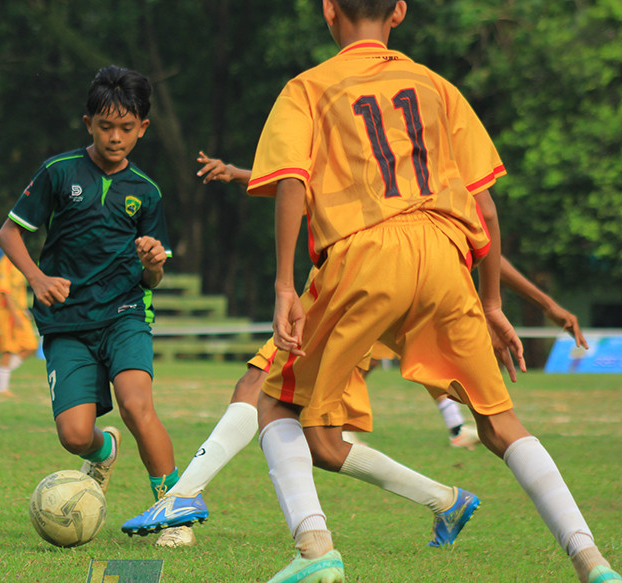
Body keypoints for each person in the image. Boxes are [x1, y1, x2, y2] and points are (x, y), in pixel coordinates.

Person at [238, 0, 621, 583]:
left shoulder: (307, 88)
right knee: (499, 424)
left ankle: (314, 549)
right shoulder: (438, 88)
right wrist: (492, 302)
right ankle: (595, 562)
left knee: (275, 401)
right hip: (447, 257)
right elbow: (488, 212)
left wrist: (284, 285)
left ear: (328, 10)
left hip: (363, 254)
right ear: (400, 12)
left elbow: (291, 185)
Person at [122, 152, 590, 548]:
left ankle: (183, 498)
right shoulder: (394, 161)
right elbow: (308, 186)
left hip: (357, 297)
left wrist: (543, 303)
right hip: (373, 298)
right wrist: (242, 174)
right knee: (321, 445)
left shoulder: (402, 162)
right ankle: (446, 501)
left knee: (259, 382)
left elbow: (482, 239)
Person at [0, 65, 189, 534]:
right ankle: (104, 451)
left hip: (125, 313)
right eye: (106, 126)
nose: (116, 137)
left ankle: (176, 513)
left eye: (127, 127)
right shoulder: (58, 173)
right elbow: (9, 233)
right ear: (88, 124)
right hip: (66, 321)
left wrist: (153, 263)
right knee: (74, 435)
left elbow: (154, 279)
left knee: (136, 405)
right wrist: (38, 278)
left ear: (143, 128)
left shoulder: (147, 192)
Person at [0, 251, 38, 395]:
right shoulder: (4, 263)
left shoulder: (18, 262)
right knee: (9, 348)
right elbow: (5, 292)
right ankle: (2, 388)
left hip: (19, 311)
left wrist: (23, 310)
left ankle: (0, 372)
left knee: (31, 346)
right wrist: (15, 315)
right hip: (8, 312)